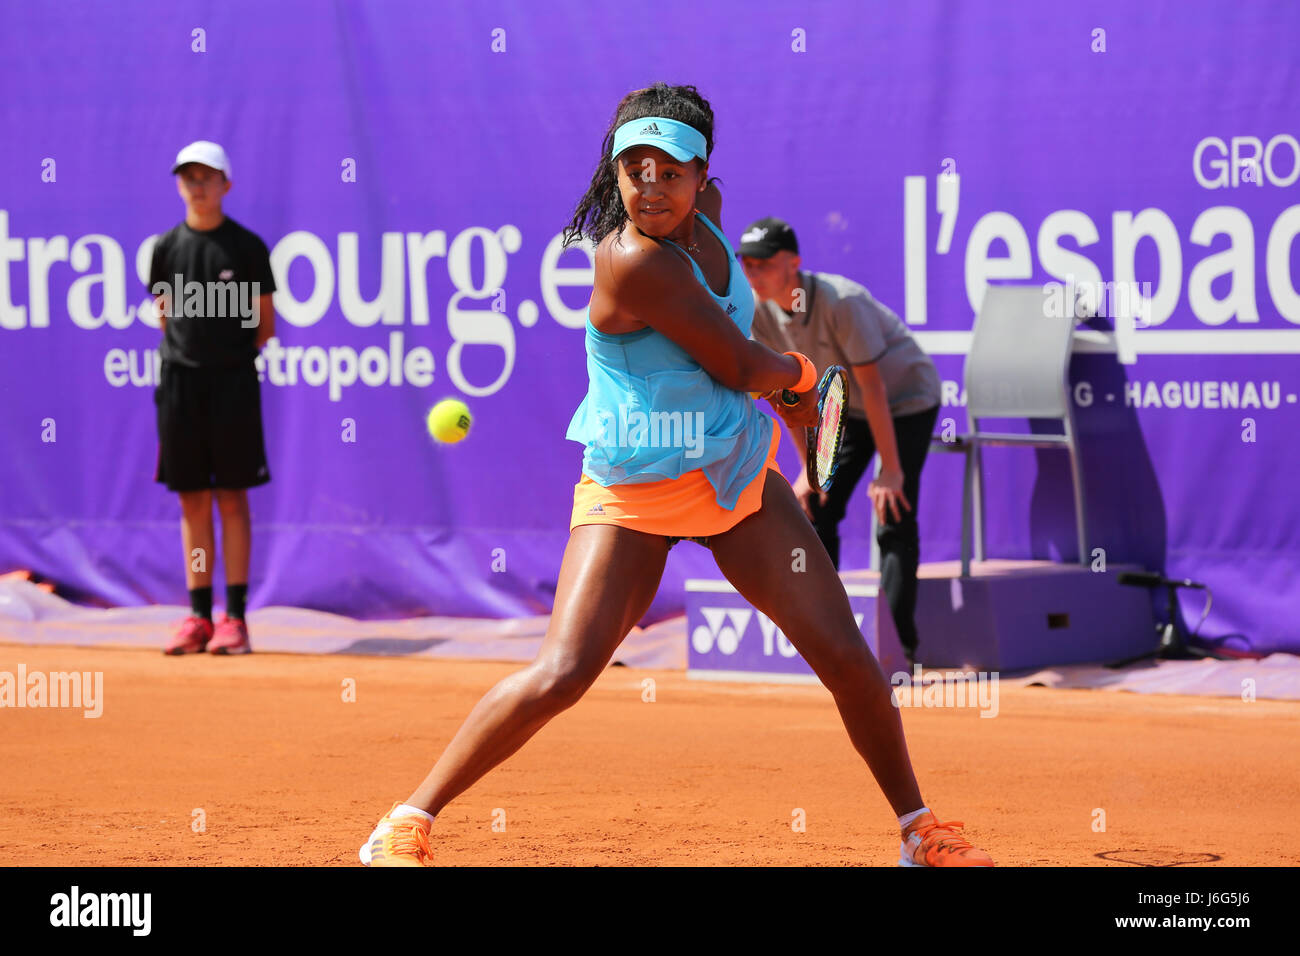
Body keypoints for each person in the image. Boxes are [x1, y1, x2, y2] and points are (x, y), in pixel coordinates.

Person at [359, 85, 992, 867]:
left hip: (729, 472)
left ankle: (917, 830)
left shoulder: (714, 220)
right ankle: (407, 820)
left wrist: (797, 437)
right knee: (563, 672)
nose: (650, 186)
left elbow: (742, 350)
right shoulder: (630, 260)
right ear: (615, 174)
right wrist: (796, 375)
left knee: (845, 654)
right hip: (633, 489)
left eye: (671, 170)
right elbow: (736, 361)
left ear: (703, 178)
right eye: (634, 170)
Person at [740, 219, 941, 663]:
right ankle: (829, 639)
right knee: (816, 508)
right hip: (845, 407)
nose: (752, 273)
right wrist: (810, 473)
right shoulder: (756, 312)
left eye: (764, 264)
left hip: (905, 400)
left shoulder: (841, 302)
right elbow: (786, 397)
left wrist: (890, 469)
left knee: (893, 512)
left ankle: (896, 648)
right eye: (746, 264)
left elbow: (874, 388)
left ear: (793, 263)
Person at [149, 141, 277, 656]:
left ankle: (236, 619)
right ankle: (199, 616)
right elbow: (165, 316)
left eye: (207, 177)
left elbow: (264, 326)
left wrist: (225, 360)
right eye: (189, 177)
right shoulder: (165, 248)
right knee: (193, 500)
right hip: (179, 386)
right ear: (180, 184)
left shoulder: (246, 248)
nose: (197, 186)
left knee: (231, 497)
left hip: (233, 386)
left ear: (226, 184)